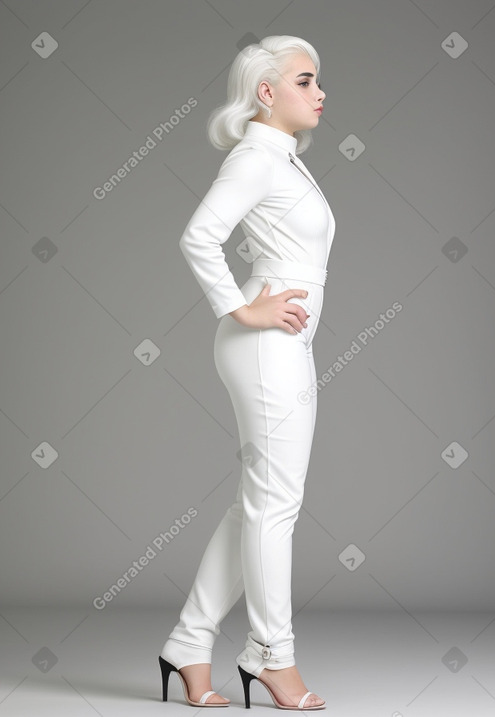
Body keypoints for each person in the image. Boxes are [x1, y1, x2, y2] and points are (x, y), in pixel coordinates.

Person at [159, 34, 335, 710]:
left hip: (286, 346)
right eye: (305, 80)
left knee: (256, 503)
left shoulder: (282, 160)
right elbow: (199, 234)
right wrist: (239, 307)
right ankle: (269, 654)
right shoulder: (257, 158)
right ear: (266, 93)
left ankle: (188, 643)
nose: (320, 92)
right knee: (274, 505)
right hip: (264, 346)